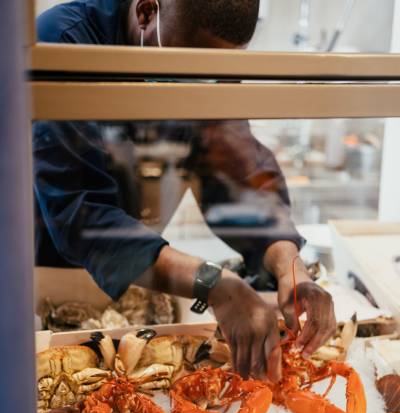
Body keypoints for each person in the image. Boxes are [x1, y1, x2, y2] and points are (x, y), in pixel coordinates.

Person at [34, 0, 336, 381]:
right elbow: (79, 212)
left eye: (213, 74)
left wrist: (291, 268)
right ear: (146, 13)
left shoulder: (210, 58)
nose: (202, 83)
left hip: (135, 274)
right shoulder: (64, 44)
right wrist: (213, 282)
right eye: (190, 68)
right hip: (37, 274)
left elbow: (238, 173)